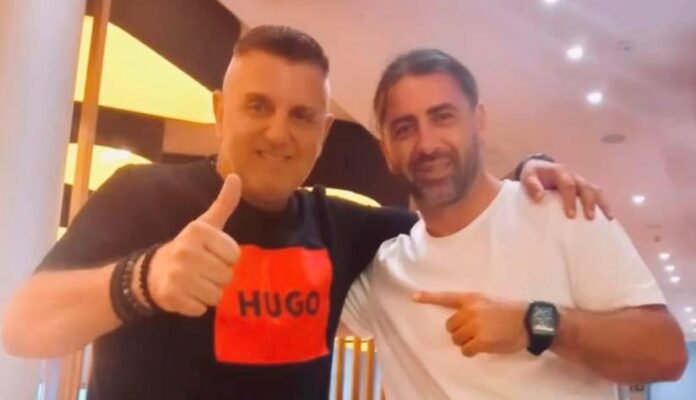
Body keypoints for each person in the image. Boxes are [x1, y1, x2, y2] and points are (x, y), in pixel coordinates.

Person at [3, 26, 607, 400]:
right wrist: (145, 278)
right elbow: (21, 328)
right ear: (220, 110)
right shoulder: (143, 194)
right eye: (257, 106)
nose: (278, 133)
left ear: (323, 132)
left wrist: (527, 174)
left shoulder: (344, 228)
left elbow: (456, 221)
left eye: (301, 115)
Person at [341, 48, 688, 399]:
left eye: (443, 117)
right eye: (404, 129)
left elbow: (667, 354)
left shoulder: (562, 213)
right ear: (386, 150)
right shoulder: (384, 271)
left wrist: (538, 323)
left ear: (478, 122)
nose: (427, 144)